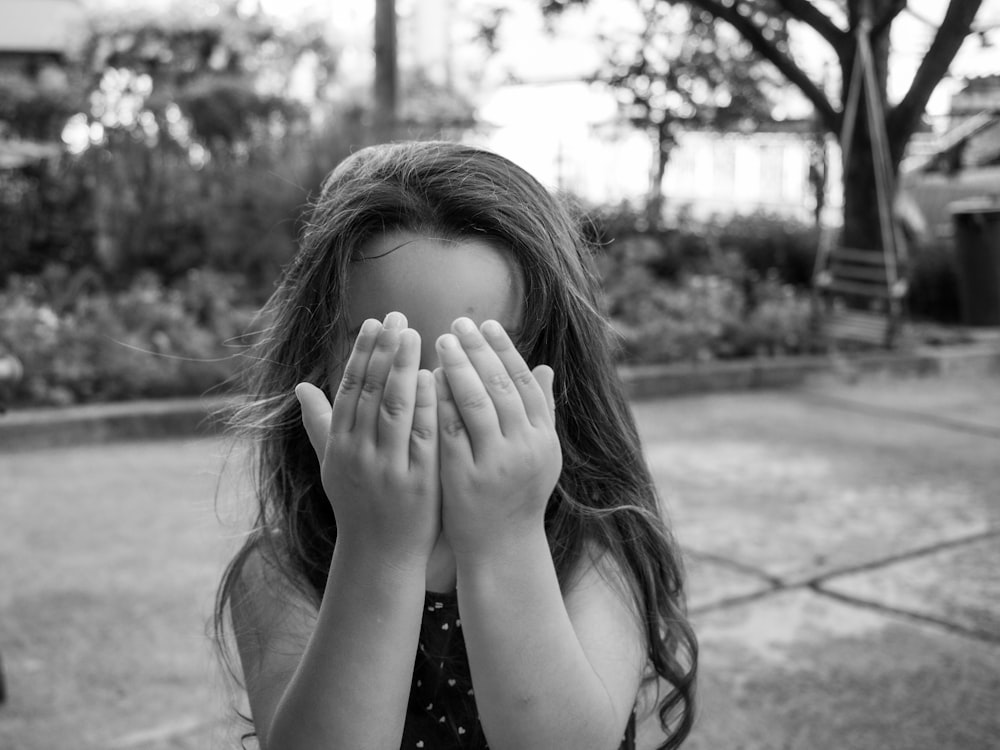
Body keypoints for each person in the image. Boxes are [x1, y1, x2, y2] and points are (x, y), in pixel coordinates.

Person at [213, 141, 697, 750]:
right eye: (392, 353)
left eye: (482, 359)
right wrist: (377, 546)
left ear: (551, 369)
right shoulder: (281, 568)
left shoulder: (592, 543)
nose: (441, 399)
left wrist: (505, 534)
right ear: (318, 363)